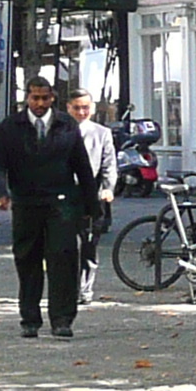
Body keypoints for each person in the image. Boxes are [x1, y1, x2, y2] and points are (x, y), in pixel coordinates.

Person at [0, 75, 91, 339]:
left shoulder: (66, 125)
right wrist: (1, 193)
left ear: (53, 97)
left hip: (61, 204)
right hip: (26, 202)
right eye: (35, 98)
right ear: (27, 98)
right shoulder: (11, 127)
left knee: (63, 260)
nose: (40, 104)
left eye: (45, 98)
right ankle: (30, 319)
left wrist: (90, 207)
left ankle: (62, 320)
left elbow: (82, 166)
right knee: (27, 260)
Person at [67, 89, 119, 304]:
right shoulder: (58, 131)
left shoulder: (102, 133)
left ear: (93, 108)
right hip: (65, 195)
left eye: (85, 108)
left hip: (92, 196)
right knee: (63, 245)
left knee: (89, 244)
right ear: (68, 108)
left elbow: (109, 164)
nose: (81, 112)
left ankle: (85, 289)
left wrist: (108, 188)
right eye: (77, 108)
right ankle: (65, 287)